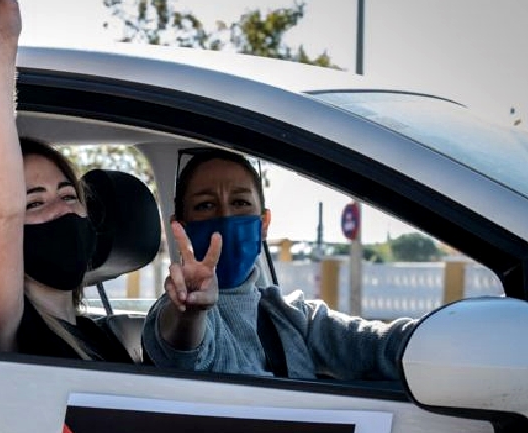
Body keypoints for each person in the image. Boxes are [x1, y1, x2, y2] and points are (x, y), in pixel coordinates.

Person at [0, 0, 134, 363]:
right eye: (34, 203)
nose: (60, 210)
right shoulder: (8, 323)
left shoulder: (104, 336)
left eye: (67, 195)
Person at [142, 147, 416, 379]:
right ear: (181, 226)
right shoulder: (175, 309)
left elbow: (381, 345)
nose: (225, 216)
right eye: (205, 206)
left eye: (239, 202)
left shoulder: (291, 316)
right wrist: (190, 312)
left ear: (264, 224)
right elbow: (182, 350)